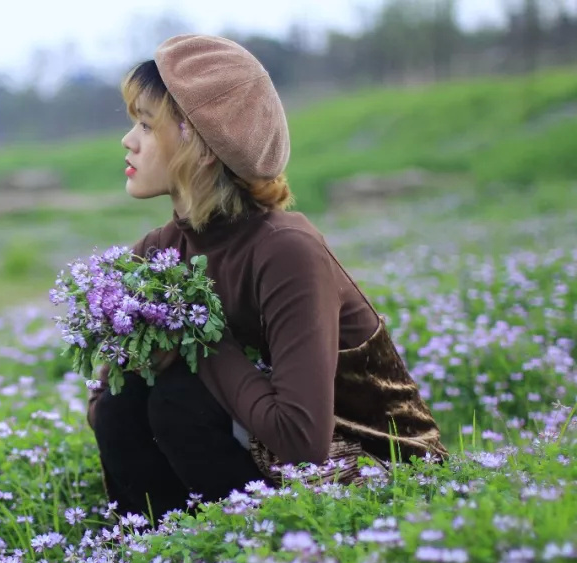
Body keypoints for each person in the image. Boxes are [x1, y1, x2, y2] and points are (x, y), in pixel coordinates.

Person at [86, 34, 448, 524]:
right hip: (258, 451)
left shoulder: (285, 250)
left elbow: (303, 444)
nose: (128, 140)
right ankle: (162, 555)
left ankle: (257, 554)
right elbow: (107, 409)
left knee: (179, 399)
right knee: (127, 398)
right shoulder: (159, 251)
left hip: (376, 472)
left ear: (201, 142)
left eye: (147, 125)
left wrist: (200, 337)